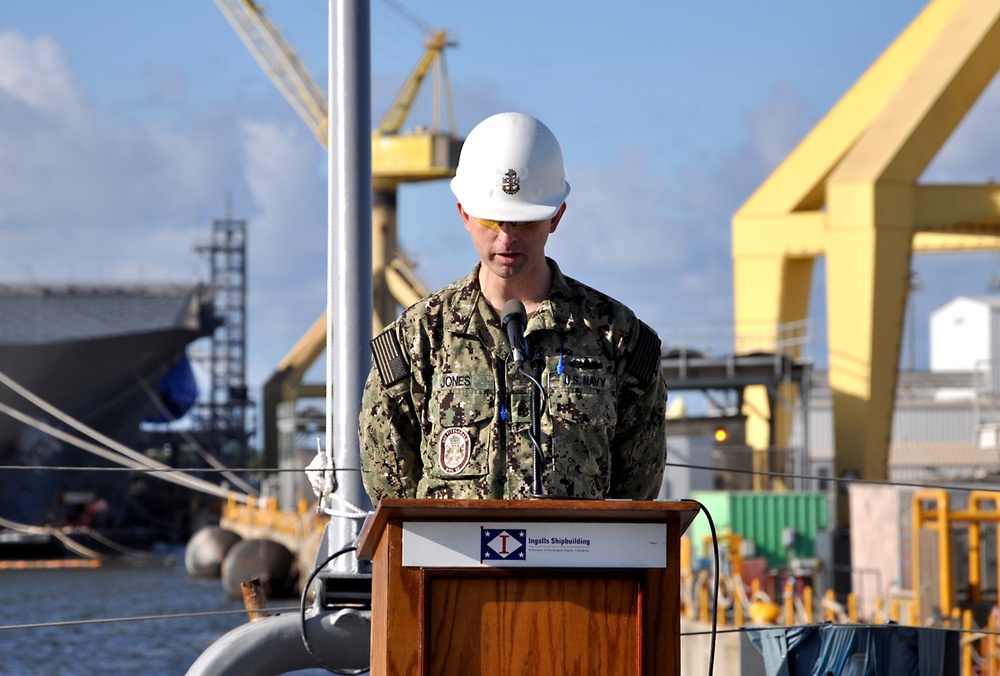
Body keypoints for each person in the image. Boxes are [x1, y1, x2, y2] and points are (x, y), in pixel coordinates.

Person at [359, 112, 666, 502]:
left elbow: (637, 487)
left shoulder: (616, 336)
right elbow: (391, 487)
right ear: (464, 215)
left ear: (556, 217)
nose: (506, 237)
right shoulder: (419, 339)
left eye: (524, 221)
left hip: (577, 561)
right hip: (449, 562)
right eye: (492, 219)